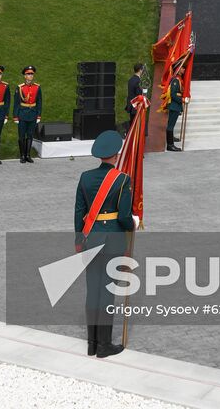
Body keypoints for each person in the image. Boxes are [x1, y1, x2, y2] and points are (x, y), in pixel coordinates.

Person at [74, 129, 136, 357]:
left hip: (91, 239)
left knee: (93, 291)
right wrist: (134, 223)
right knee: (107, 293)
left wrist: (79, 239)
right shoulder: (121, 180)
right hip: (112, 240)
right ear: (116, 153)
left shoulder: (85, 177)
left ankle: (91, 343)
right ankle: (104, 345)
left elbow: (79, 211)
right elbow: (123, 217)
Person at [13, 66, 42, 164]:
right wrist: (15, 116)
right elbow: (16, 103)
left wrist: (38, 115)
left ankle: (28, 155)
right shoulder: (20, 88)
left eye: (32, 74)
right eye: (28, 74)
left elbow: (39, 102)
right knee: (21, 136)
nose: (30, 76)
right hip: (22, 114)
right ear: (25, 76)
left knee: (30, 135)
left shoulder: (37, 87)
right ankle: (22, 155)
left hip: (33, 114)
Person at [165, 61, 185, 152]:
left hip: (175, 106)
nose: (184, 70)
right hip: (174, 106)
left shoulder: (178, 79)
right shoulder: (176, 80)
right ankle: (170, 145)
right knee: (170, 126)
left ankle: (171, 140)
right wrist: (182, 100)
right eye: (182, 68)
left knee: (171, 125)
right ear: (178, 68)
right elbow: (173, 94)